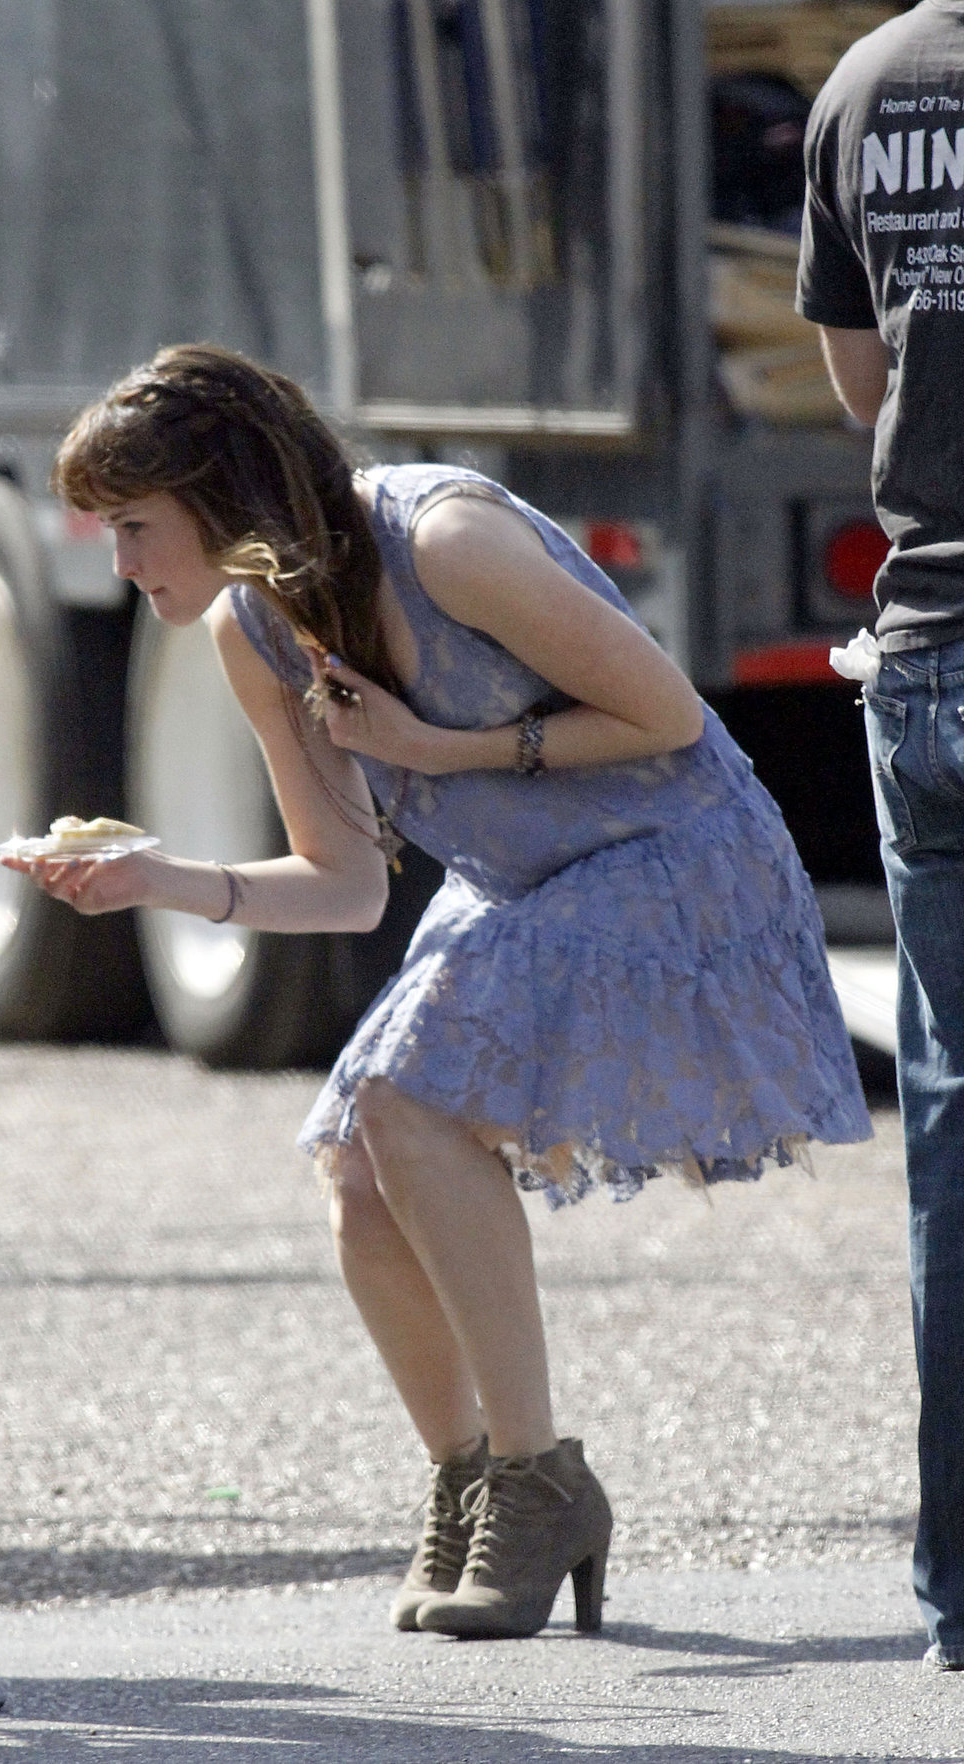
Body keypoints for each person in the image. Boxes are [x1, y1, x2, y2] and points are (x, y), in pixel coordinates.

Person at [5, 343, 871, 1641]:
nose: (119, 564)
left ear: (221, 490)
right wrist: (156, 878)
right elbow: (345, 881)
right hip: (523, 874)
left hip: (674, 854)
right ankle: (474, 1481)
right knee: (356, 1158)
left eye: (133, 526)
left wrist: (436, 748)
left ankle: (539, 1484)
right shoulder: (255, 628)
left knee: (408, 1103)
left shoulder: (445, 539)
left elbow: (670, 723)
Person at [797, 0, 964, 1674]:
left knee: (953, 1145)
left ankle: (960, 1599)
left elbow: (864, 382)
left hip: (924, 660)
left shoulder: (867, 84)